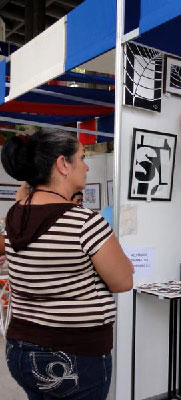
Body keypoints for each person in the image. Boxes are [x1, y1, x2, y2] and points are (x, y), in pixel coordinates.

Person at [0, 130, 133, 400]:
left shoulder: (15, 216)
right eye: (82, 158)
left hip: (21, 348)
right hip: (75, 354)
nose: (86, 167)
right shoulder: (84, 222)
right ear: (62, 164)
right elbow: (123, 281)